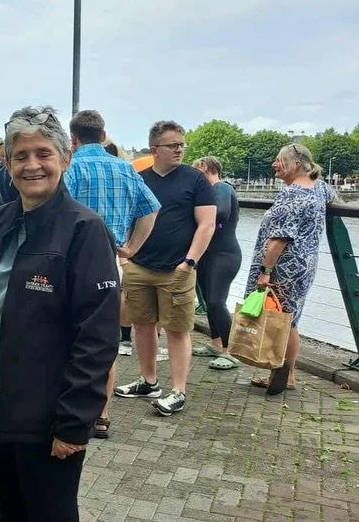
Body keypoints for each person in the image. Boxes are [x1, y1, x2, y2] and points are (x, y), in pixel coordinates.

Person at [0, 105, 119, 522]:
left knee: (50, 513)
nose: (32, 165)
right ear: (7, 164)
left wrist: (75, 421)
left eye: (43, 153)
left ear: (65, 158)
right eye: (21, 156)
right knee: (10, 508)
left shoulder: (85, 230)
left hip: (46, 411)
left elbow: (97, 337)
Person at [64, 110, 160, 438]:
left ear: (73, 139)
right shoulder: (126, 169)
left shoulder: (71, 168)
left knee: (66, 337)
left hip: (71, 262)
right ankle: (102, 415)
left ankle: (69, 409)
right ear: (104, 136)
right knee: (103, 341)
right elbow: (151, 211)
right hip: (109, 263)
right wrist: (131, 248)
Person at [114, 121, 216, 417]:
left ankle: (179, 390)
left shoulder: (196, 180)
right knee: (142, 326)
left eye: (182, 144)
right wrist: (125, 258)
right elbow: (126, 218)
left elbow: (207, 225)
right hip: (139, 266)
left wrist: (189, 262)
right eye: (173, 145)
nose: (180, 150)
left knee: (177, 329)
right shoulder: (139, 179)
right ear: (155, 149)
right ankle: (149, 382)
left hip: (177, 269)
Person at [247, 143, 336, 395]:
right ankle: (286, 374)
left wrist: (266, 270)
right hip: (305, 264)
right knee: (289, 319)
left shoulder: (292, 194)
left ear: (297, 164)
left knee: (282, 320)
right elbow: (333, 198)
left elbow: (279, 239)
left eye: (280, 160)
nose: (274, 164)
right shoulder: (319, 187)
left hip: (284, 266)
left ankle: (283, 375)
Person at [189, 156, 243, 370]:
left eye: (195, 169)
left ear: (204, 167)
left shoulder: (222, 188)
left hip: (225, 255)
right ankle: (216, 344)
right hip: (207, 255)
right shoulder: (208, 192)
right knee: (207, 299)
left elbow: (221, 213)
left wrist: (194, 214)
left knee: (215, 301)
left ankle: (231, 351)